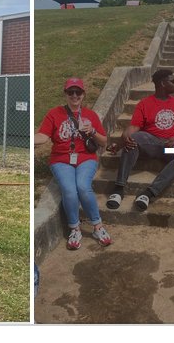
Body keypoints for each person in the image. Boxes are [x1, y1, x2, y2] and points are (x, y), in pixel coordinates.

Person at [35, 78, 112, 249]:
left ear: (83, 94)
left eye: (78, 92)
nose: (75, 96)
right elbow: (43, 136)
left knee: (83, 187)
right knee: (70, 190)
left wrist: (92, 131)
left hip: (85, 158)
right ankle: (75, 228)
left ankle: (97, 226)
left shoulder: (90, 115)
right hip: (61, 160)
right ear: (66, 94)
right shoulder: (54, 114)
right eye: (71, 92)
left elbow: (104, 141)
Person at [105, 68, 174, 211]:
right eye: (172, 81)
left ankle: (148, 193)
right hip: (151, 141)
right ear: (163, 84)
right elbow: (134, 126)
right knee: (132, 139)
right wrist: (124, 139)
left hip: (171, 143)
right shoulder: (145, 104)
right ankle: (119, 188)